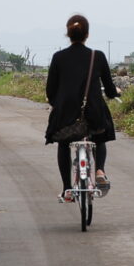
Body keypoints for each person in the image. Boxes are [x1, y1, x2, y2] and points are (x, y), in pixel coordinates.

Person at [45, 14, 119, 202]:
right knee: (101, 135)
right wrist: (115, 93)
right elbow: (109, 89)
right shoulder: (98, 56)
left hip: (66, 114)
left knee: (63, 144)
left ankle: (67, 189)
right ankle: (100, 170)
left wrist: (58, 105)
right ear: (87, 34)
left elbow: (50, 90)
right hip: (92, 112)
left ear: (68, 34)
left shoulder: (58, 57)